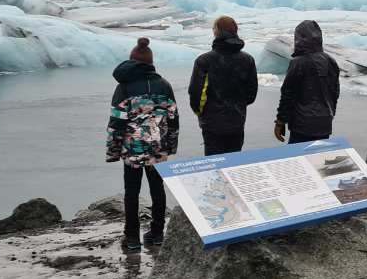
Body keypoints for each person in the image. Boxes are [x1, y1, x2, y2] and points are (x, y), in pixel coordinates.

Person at [106, 37, 179, 253]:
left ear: (132, 61)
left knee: (132, 191)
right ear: (151, 62)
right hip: (157, 147)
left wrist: (113, 150)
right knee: (157, 188)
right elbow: (173, 118)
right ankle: (157, 232)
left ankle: (132, 238)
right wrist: (171, 145)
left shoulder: (124, 87)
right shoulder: (164, 85)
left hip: (133, 149)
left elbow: (116, 121)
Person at [188, 16, 258, 155]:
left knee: (215, 164)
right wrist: (238, 106)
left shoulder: (204, 61)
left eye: (213, 28)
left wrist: (202, 114)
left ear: (217, 32)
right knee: (233, 161)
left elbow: (196, 94)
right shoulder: (247, 59)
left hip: (212, 123)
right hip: (237, 120)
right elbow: (251, 93)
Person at [274, 20, 340, 144]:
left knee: (298, 158)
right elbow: (335, 92)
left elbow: (288, 94)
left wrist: (280, 121)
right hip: (324, 122)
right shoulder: (331, 61)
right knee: (317, 159)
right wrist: (330, 115)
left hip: (302, 124)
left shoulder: (298, 62)